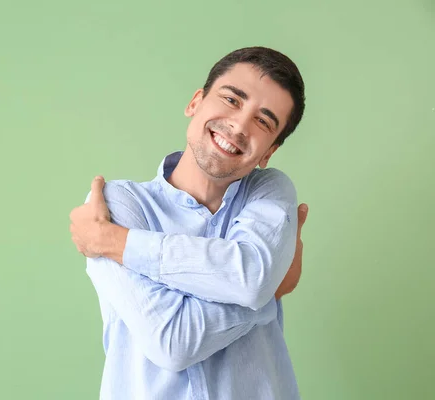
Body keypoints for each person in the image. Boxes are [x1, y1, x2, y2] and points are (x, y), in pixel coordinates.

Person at [69, 46, 309, 400]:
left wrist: (121, 244)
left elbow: (253, 280)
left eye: (263, 121)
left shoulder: (270, 192)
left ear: (269, 152)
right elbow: (173, 343)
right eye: (231, 99)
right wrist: (267, 294)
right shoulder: (116, 204)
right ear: (195, 102)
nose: (239, 125)